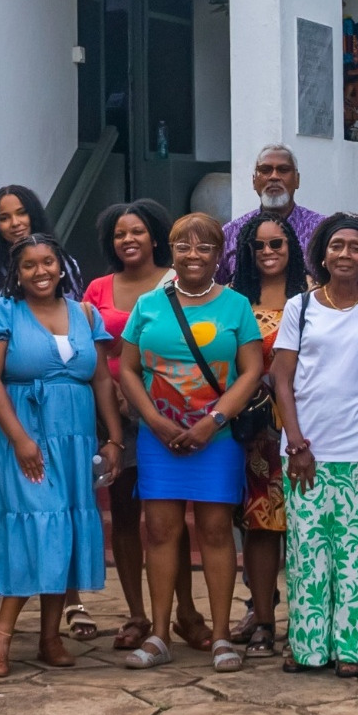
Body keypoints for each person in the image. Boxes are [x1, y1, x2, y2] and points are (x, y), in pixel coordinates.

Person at [0, 234, 125, 676]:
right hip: (21, 438)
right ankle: (1, 635)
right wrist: (20, 439)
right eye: (29, 265)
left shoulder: (85, 314)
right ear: (17, 274)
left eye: (48, 262)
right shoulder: (1, 313)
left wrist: (114, 438)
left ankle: (50, 636)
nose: (40, 271)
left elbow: (101, 380)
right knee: (37, 527)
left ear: (61, 267)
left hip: (74, 440)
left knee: (64, 527)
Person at [119, 213, 264, 673]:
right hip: (158, 439)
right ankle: (160, 634)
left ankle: (221, 636)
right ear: (172, 251)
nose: (193, 255)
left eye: (204, 247)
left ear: (219, 255)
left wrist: (213, 420)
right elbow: (127, 369)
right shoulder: (148, 304)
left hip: (216, 439)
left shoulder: (236, 306)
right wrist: (153, 420)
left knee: (216, 531)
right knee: (161, 531)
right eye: (183, 246)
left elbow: (252, 371)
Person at [0, 185, 91, 642]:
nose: (14, 223)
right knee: (8, 507)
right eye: (4, 217)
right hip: (3, 402)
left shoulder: (65, 266)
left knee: (58, 511)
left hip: (65, 418)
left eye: (21, 214)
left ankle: (68, 604)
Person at [273, 213, 358, 677]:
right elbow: (281, 379)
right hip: (306, 450)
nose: (345, 253)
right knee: (308, 555)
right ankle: (307, 647)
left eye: (355, 247)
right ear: (322, 255)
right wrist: (295, 442)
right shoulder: (300, 307)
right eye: (337, 246)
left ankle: (355, 648)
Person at [83, 200, 212, 653]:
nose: (128, 240)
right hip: (112, 417)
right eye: (120, 234)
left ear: (155, 236)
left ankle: (186, 612)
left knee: (168, 517)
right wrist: (115, 396)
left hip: (168, 415)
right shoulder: (97, 289)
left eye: (136, 231)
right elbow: (92, 350)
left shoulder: (177, 281)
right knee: (123, 513)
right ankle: (138, 614)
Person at [227, 212, 310, 660]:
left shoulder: (313, 295)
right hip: (254, 433)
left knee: (306, 529)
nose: (267, 252)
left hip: (305, 427)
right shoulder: (235, 299)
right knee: (259, 527)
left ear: (292, 247)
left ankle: (308, 620)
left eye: (276, 244)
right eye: (258, 245)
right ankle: (262, 620)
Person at [214, 143, 324, 286]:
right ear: (254, 181)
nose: (274, 177)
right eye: (265, 170)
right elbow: (218, 288)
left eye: (283, 170)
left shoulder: (321, 230)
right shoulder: (230, 233)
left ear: (297, 180)